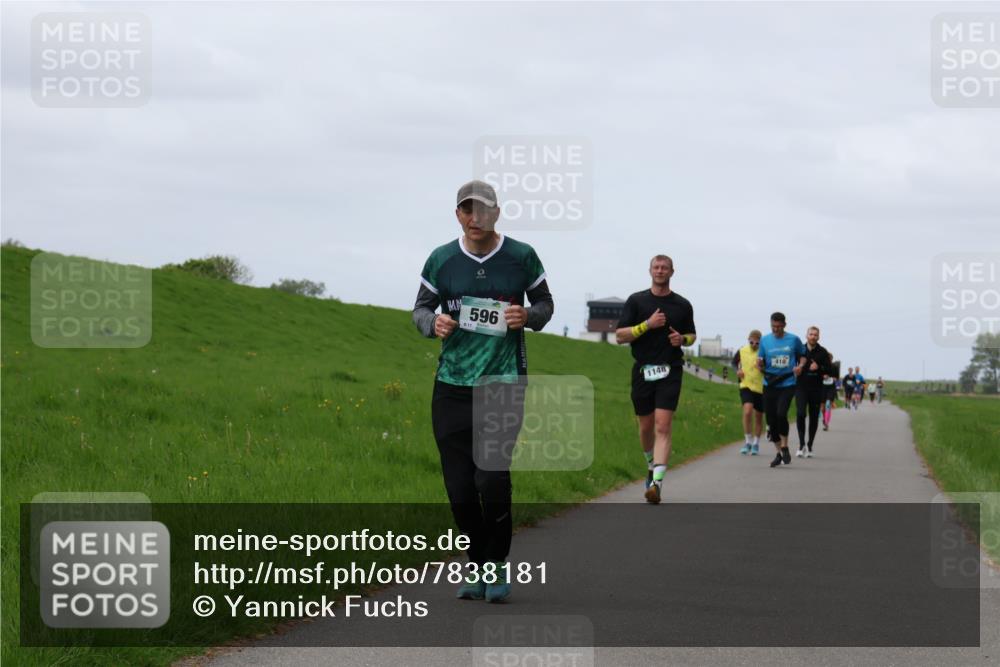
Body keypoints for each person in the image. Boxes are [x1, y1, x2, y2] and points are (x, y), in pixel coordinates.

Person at [412, 180, 553, 603]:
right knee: (459, 490)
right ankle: (476, 562)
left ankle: (496, 562)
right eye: (467, 210)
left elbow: (545, 306)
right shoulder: (442, 259)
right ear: (458, 214)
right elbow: (420, 309)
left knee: (490, 479)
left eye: (484, 210)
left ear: (497, 212)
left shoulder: (521, 256)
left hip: (503, 383)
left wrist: (527, 315)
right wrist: (432, 323)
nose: (476, 218)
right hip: (452, 386)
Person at [615, 255, 697, 504]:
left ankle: (657, 484)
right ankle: (651, 466)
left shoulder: (682, 305)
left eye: (665, 268)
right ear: (650, 271)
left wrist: (682, 340)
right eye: (656, 267)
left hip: (671, 370)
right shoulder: (636, 301)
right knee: (646, 427)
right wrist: (647, 325)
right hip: (643, 370)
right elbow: (620, 336)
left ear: (672, 272)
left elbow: (692, 336)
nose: (660, 271)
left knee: (663, 426)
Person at [757, 312, 806, 468]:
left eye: (778, 326)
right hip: (769, 383)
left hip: (787, 382)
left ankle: (785, 446)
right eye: (773, 326)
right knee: (771, 421)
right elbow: (761, 359)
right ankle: (779, 453)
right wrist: (760, 364)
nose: (776, 329)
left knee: (781, 414)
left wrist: (800, 366)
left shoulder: (794, 339)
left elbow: (803, 355)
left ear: (784, 325)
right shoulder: (765, 340)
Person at [795, 326, 833, 458]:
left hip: (816, 389)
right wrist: (796, 370)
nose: (813, 337)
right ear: (806, 336)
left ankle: (810, 444)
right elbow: (792, 365)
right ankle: (801, 445)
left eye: (815, 335)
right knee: (800, 414)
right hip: (801, 387)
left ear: (819, 337)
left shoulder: (822, 352)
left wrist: (819, 367)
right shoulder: (799, 350)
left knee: (814, 417)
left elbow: (830, 370)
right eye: (811, 334)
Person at [733, 330, 765, 455]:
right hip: (745, 385)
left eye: (757, 343)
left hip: (761, 388)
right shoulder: (742, 350)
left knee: (758, 416)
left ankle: (756, 443)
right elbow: (734, 363)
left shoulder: (764, 352)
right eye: (752, 342)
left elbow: (769, 369)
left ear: (760, 342)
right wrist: (738, 370)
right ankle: (747, 441)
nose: (754, 345)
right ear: (748, 340)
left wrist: (762, 368)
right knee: (747, 411)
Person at [822, 360, 840, 431]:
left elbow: (837, 377)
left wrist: (835, 378)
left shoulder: (834, 367)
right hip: (823, 388)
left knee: (828, 404)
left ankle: (826, 423)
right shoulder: (822, 367)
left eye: (830, 358)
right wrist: (823, 376)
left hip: (831, 388)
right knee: (822, 408)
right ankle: (824, 419)